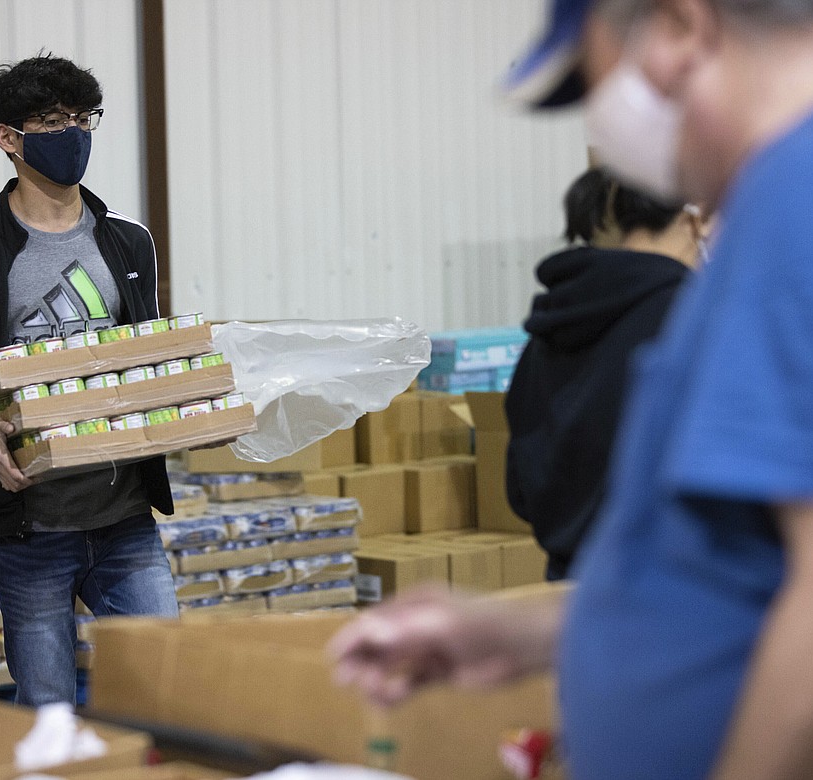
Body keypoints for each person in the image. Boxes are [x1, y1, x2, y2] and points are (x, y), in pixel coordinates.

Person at [330, 1, 813, 778]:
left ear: (683, 28)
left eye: (594, 77)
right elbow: (726, 580)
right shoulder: (767, 209)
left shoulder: (797, 196)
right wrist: (519, 635)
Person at [0, 54, 178, 707]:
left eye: (84, 118)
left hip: (124, 516)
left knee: (171, 686)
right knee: (48, 712)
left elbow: (146, 355)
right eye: (53, 121)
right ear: (8, 137)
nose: (74, 133)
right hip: (29, 526)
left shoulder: (128, 241)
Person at [505, 166, 707, 580]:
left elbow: (520, 490)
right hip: (673, 598)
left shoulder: (548, 331)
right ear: (693, 220)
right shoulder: (694, 320)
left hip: (571, 599)